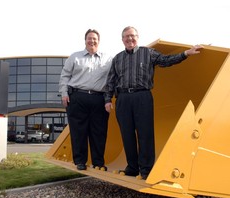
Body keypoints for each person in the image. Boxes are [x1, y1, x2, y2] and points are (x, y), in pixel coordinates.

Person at [104, 26, 203, 179]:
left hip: (143, 97)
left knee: (145, 133)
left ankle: (146, 169)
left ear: (137, 37)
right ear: (122, 39)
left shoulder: (148, 53)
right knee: (127, 134)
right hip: (123, 99)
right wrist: (107, 99)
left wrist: (185, 54)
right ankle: (132, 167)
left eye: (132, 36)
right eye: (126, 37)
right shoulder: (117, 58)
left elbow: (166, 61)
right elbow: (111, 80)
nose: (130, 39)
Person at [59, 29, 112, 171]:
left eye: (94, 39)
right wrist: (64, 93)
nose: (92, 41)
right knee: (78, 131)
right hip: (77, 97)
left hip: (99, 98)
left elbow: (112, 79)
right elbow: (65, 76)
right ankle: (80, 161)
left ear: (98, 41)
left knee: (99, 132)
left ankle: (98, 163)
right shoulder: (74, 57)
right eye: (89, 38)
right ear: (85, 40)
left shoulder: (108, 59)